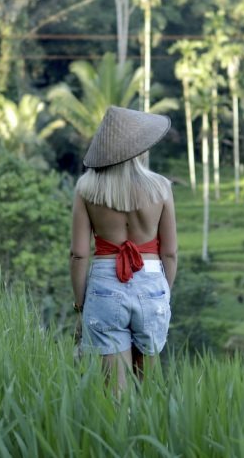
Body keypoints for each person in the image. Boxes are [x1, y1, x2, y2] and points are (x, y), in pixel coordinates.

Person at [69, 106, 178, 394]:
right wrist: (163, 294)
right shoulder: (161, 187)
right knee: (150, 390)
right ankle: (149, 438)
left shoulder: (87, 188)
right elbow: (170, 253)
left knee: (115, 397)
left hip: (105, 284)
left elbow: (79, 253)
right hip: (153, 279)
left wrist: (80, 305)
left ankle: (117, 437)